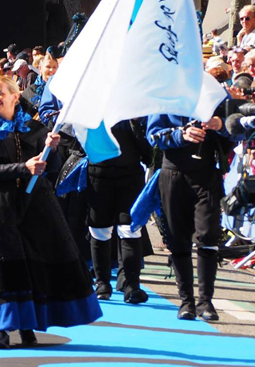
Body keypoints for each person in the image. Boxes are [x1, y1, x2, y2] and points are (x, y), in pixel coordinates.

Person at [0, 75, 101, 348]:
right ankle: (0, 328)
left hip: (36, 204)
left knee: (33, 263)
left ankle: (28, 325)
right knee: (0, 266)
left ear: (14, 96)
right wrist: (24, 167)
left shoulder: (37, 129)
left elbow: (52, 169)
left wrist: (53, 150)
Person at [147, 101, 232, 321]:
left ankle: (206, 301)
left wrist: (220, 124)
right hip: (173, 175)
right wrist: (180, 135)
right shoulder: (166, 96)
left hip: (206, 175)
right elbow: (153, 135)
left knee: (207, 235)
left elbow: (237, 131)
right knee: (177, 239)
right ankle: (186, 301)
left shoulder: (214, 95)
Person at [86, 118, 152, 304]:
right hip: (98, 173)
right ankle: (102, 284)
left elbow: (148, 153)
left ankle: (131, 286)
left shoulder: (136, 110)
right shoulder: (92, 105)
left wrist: (136, 124)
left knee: (130, 229)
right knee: (99, 229)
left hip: (130, 174)